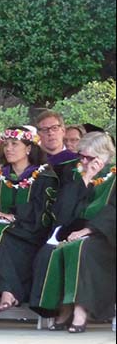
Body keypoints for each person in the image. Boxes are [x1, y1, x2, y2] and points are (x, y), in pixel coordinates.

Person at [0, 126, 58, 331]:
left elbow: (41, 212)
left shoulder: (44, 176)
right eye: (6, 144)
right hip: (0, 231)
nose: (8, 148)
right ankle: (5, 293)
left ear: (28, 148)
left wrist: (12, 216)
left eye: (14, 144)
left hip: (29, 234)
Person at [29, 132, 115, 333]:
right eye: (81, 156)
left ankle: (79, 311)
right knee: (50, 251)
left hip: (105, 235)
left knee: (83, 248)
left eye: (89, 158)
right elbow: (63, 213)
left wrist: (90, 230)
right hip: (73, 230)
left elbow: (113, 211)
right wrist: (86, 179)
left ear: (103, 157)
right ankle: (63, 307)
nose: (84, 161)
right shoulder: (74, 174)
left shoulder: (114, 176)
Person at [36, 110, 78, 185]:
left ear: (63, 131)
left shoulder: (76, 160)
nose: (50, 133)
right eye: (45, 130)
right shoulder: (32, 160)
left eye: (54, 128)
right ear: (38, 135)